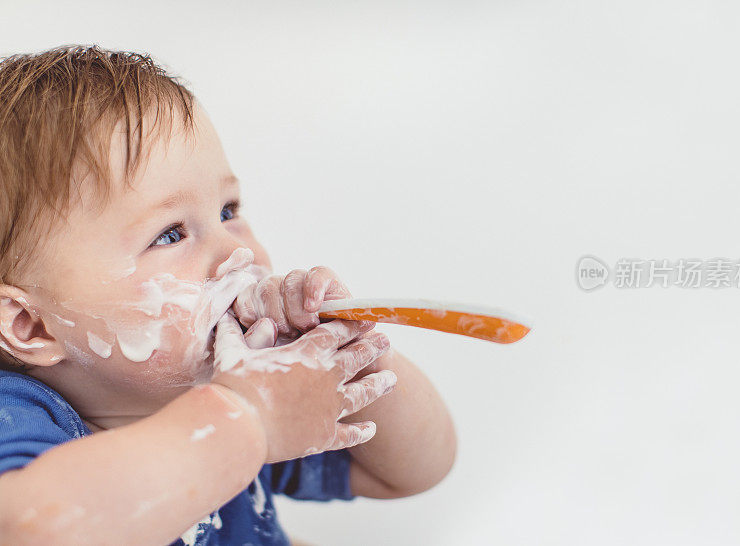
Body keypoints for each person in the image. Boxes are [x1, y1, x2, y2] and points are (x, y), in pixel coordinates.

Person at [0, 45, 456, 545]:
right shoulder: (19, 418)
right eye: (170, 234)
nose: (236, 252)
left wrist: (353, 356)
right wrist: (245, 421)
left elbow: (412, 472)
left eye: (228, 210)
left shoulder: (240, 380)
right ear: (30, 326)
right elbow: (32, 527)